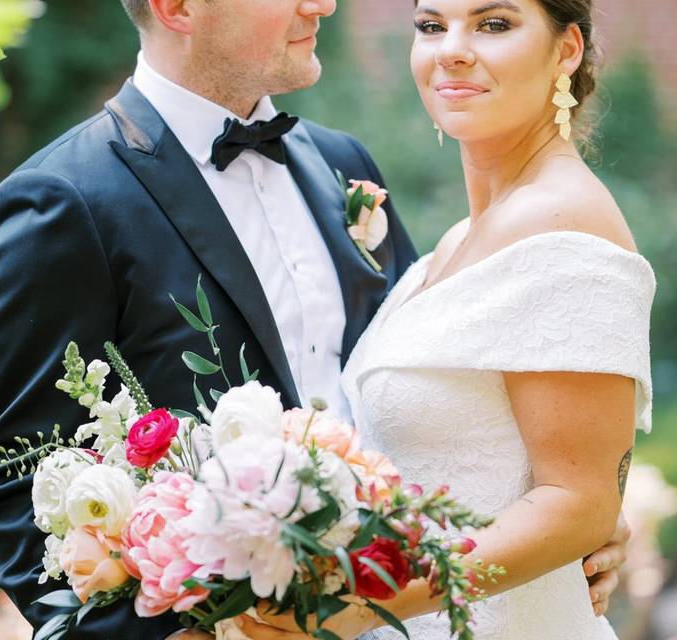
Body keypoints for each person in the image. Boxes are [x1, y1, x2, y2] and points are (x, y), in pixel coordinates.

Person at [0, 1, 631, 638]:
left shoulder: (343, 167)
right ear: (178, 7)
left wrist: (573, 508)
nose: (323, 4)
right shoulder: (64, 203)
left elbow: (448, 390)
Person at [236, 0, 654, 638]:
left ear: (567, 49)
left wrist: (363, 607)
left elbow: (579, 502)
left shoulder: (564, 221)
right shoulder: (460, 238)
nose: (451, 49)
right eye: (432, 26)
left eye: (493, 24)